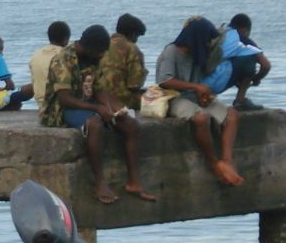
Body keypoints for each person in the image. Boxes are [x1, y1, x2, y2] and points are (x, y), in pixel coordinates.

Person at [41, 24, 154, 204]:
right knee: (95, 124)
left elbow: (99, 89)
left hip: (86, 104)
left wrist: (115, 108)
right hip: (62, 109)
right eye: (100, 52)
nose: (102, 56)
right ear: (89, 48)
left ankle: (134, 182)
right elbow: (64, 99)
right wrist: (97, 109)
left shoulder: (94, 59)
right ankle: (100, 182)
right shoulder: (63, 60)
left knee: (130, 125)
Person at [156, 17, 244, 187]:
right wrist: (195, 87)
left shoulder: (198, 53)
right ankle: (213, 162)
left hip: (194, 96)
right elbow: (164, 81)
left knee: (232, 115)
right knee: (201, 118)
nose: (208, 44)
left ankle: (227, 161)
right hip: (175, 97)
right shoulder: (171, 52)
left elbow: (201, 80)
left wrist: (204, 94)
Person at [202, 13, 271, 111]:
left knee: (234, 61)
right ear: (245, 29)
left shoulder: (220, 32)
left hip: (200, 83)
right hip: (215, 84)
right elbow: (266, 66)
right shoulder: (241, 39)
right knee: (249, 60)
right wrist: (256, 78)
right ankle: (240, 101)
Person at [99, 13, 148, 110]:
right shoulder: (131, 48)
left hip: (100, 98)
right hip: (121, 101)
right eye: (137, 36)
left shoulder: (103, 44)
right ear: (133, 34)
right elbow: (134, 85)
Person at [29, 21, 70, 111]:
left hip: (41, 106)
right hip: (59, 107)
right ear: (66, 39)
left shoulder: (36, 55)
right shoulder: (67, 56)